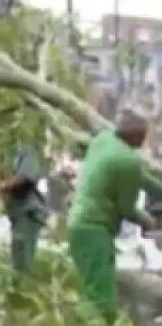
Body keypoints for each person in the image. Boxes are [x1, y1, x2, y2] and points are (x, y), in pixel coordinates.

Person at [67, 108, 162, 323]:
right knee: (101, 297)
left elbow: (142, 178)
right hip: (94, 228)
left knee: (92, 285)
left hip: (78, 221)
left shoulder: (104, 139)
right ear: (137, 137)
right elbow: (127, 208)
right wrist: (149, 221)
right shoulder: (128, 161)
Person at [0, 145, 48, 274]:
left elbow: (25, 178)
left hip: (28, 212)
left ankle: (24, 288)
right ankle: (20, 286)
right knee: (17, 256)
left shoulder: (27, 152)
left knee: (22, 257)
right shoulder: (13, 156)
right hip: (19, 211)